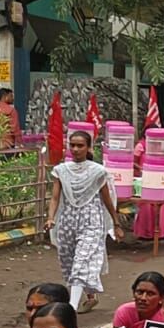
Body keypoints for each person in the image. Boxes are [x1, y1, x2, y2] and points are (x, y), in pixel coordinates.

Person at [46, 130, 124, 313]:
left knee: (82, 262)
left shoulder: (98, 172)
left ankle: (70, 308)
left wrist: (116, 224)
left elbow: (107, 200)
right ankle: (90, 296)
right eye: (72, 145)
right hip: (67, 222)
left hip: (92, 223)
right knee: (69, 263)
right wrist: (51, 218)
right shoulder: (61, 170)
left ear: (88, 148)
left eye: (80, 145)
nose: (75, 149)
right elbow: (55, 198)